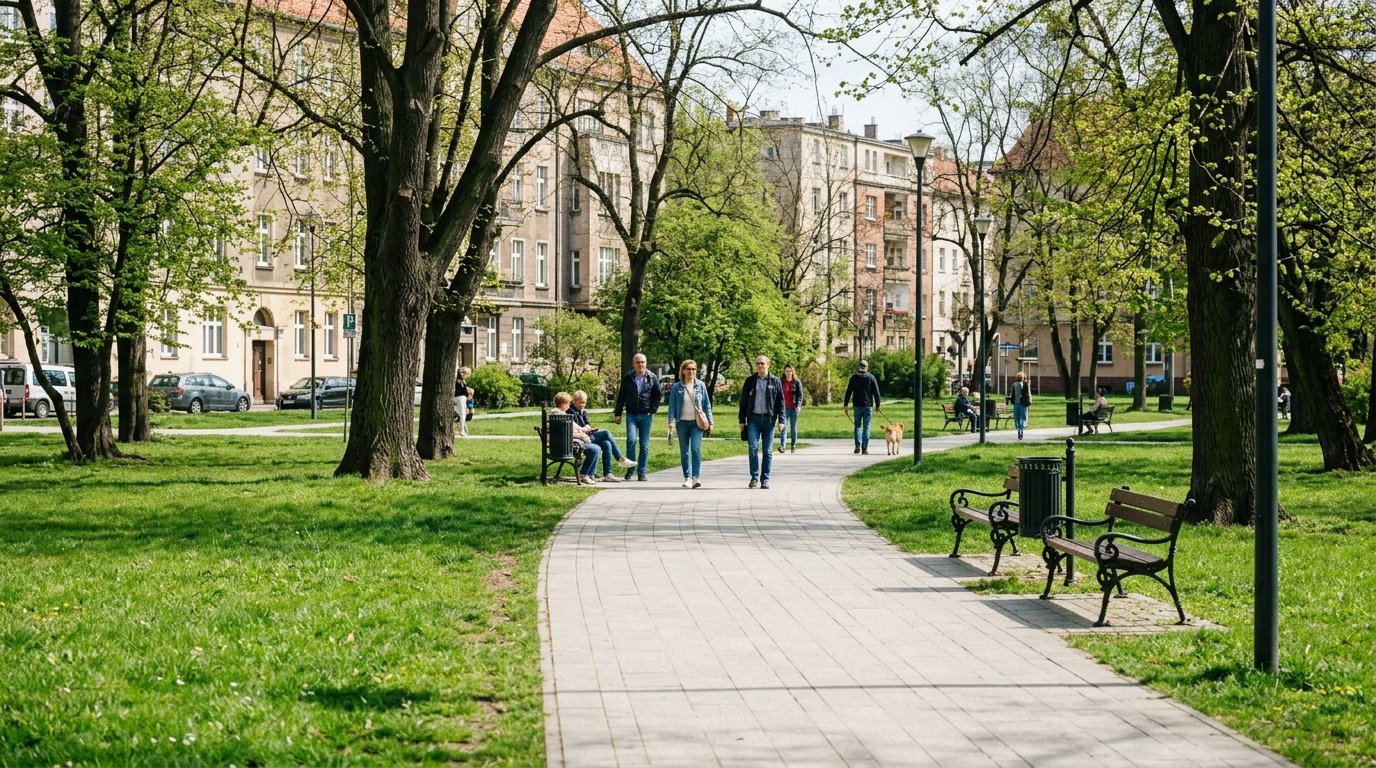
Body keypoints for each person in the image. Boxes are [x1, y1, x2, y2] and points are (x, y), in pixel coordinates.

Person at [737, 355, 784, 489]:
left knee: (767, 451)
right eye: (758, 363)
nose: (760, 366)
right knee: (753, 448)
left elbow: (781, 402)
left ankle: (765, 479)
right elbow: (743, 402)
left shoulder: (775, 381)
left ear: (768, 365)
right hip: (754, 420)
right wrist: (742, 420)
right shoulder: (750, 381)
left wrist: (781, 420)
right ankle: (754, 477)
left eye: (763, 363)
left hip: (769, 420)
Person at [613, 353, 661, 481]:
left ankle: (642, 473)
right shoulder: (628, 377)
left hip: (646, 416)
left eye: (643, 362)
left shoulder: (652, 377)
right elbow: (621, 396)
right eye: (638, 362)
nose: (641, 365)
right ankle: (630, 470)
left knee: (644, 446)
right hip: (631, 415)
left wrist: (653, 409)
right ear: (634, 364)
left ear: (646, 363)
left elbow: (657, 395)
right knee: (631, 441)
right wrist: (618, 413)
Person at [570, 390, 637, 482]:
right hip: (582, 439)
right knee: (606, 433)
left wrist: (586, 428)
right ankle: (620, 458)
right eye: (581, 402)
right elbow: (577, 429)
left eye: (584, 402)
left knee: (606, 443)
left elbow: (588, 424)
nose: (583, 404)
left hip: (587, 435)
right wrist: (585, 429)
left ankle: (608, 474)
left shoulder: (583, 411)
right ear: (574, 401)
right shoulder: (571, 411)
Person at [667, 359, 713, 488]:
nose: (691, 372)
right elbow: (671, 406)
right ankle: (687, 477)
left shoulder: (701, 385)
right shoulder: (677, 387)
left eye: (693, 369)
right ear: (683, 371)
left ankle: (695, 477)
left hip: (696, 423)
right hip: (681, 422)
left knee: (695, 449)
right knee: (684, 451)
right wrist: (671, 421)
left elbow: (706, 404)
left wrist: (710, 421)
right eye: (688, 369)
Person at [554, 391, 602, 484]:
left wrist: (582, 430)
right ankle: (584, 474)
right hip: (566, 446)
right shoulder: (561, 416)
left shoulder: (562, 415)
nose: (569, 405)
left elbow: (574, 427)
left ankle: (589, 474)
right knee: (595, 449)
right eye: (568, 403)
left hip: (565, 443)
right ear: (564, 404)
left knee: (599, 446)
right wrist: (582, 435)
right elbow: (567, 433)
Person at [843, 360, 882, 453]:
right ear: (867, 367)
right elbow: (876, 393)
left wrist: (846, 404)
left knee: (857, 426)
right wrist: (878, 405)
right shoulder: (871, 377)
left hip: (857, 405)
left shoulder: (854, 377)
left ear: (859, 367)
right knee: (867, 427)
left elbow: (848, 391)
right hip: (868, 406)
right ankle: (864, 448)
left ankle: (857, 446)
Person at [777, 364, 804, 454]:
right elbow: (777, 394)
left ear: (792, 372)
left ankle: (793, 445)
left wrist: (799, 405)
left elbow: (800, 395)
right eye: (786, 371)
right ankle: (783, 446)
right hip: (783, 408)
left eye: (790, 371)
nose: (788, 373)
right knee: (783, 427)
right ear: (784, 372)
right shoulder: (781, 381)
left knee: (793, 428)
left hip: (794, 408)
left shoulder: (796, 382)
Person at [1008, 371, 1031, 440]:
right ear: (1023, 378)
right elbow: (1028, 394)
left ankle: (1018, 429)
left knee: (1017, 418)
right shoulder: (1024, 385)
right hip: (1023, 404)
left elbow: (1011, 394)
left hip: (1016, 404)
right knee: (1023, 418)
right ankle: (1021, 429)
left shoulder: (1014, 385)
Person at [454, 366, 472, 437]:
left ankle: (461, 427)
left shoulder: (463, 381)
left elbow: (464, 390)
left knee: (462, 414)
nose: (465, 375)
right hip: (459, 397)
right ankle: (462, 430)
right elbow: (459, 390)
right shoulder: (457, 380)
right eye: (464, 373)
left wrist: (469, 391)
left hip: (463, 398)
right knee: (462, 414)